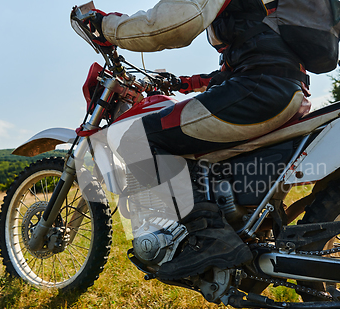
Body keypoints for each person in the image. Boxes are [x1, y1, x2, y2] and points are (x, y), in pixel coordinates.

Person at [90, 0, 311, 280]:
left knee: (136, 137)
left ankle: (209, 239)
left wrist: (105, 26)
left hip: (259, 89)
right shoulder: (260, 27)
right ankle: (234, 234)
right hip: (280, 87)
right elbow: (244, 61)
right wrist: (185, 83)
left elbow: (171, 24)